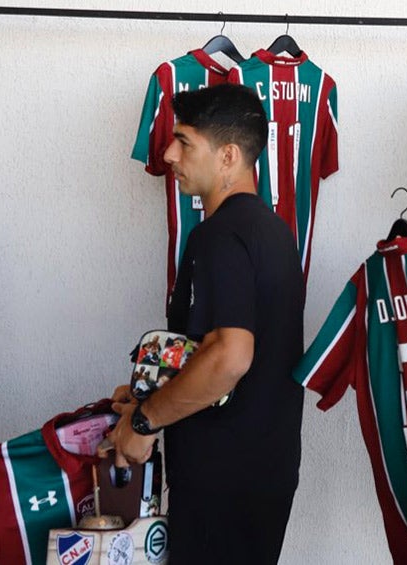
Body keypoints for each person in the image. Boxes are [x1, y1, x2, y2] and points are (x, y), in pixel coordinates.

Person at [103, 84, 305, 564]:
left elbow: (230, 357)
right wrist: (149, 395)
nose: (170, 153)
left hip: (223, 480)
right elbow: (207, 350)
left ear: (228, 156)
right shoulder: (274, 232)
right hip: (260, 471)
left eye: (185, 141)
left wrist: (146, 421)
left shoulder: (219, 236)